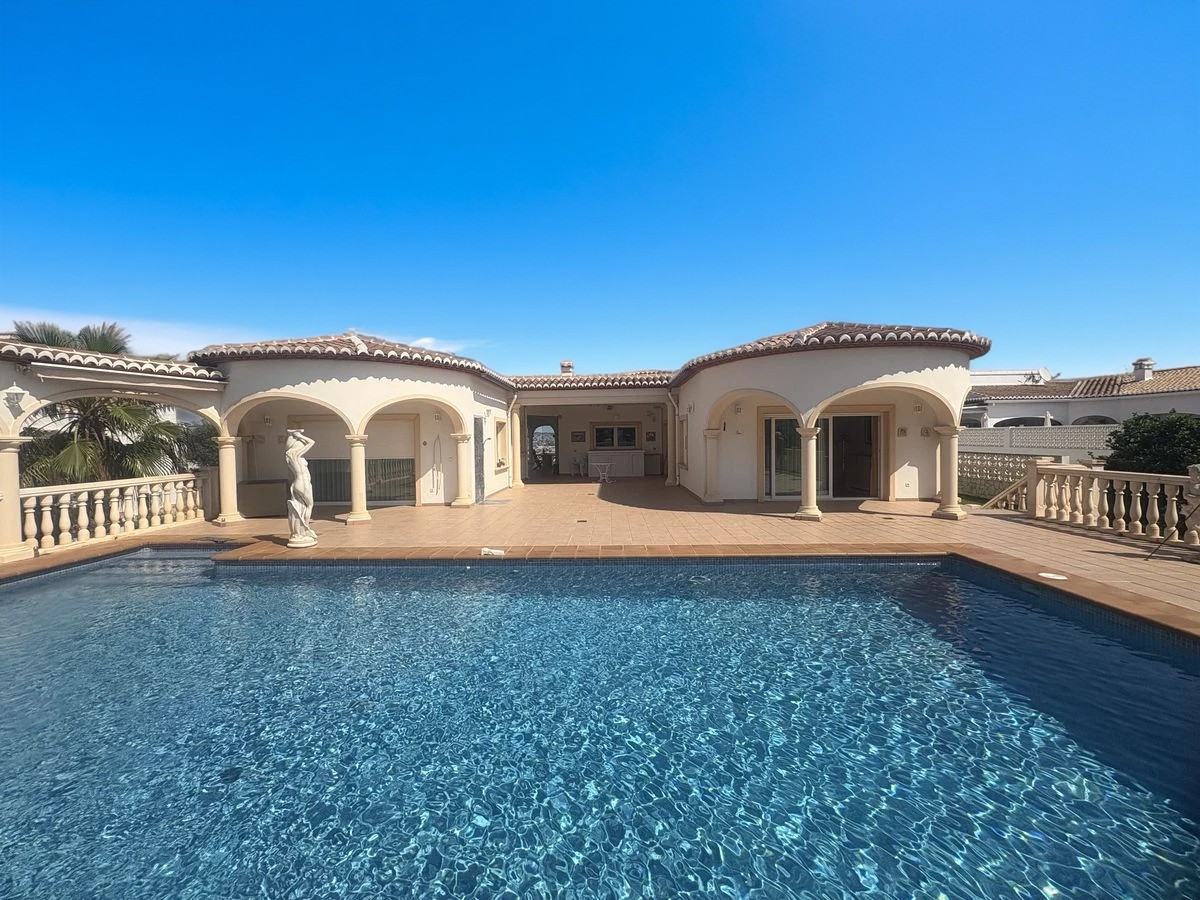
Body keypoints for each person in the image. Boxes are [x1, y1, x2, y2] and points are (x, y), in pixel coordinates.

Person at [284, 429, 317, 546]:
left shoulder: (290, 456)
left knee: (301, 507)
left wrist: (295, 435)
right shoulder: (295, 454)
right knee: (310, 505)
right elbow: (312, 442)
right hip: (302, 483)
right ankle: (304, 531)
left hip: (297, 483)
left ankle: (300, 531)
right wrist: (300, 435)